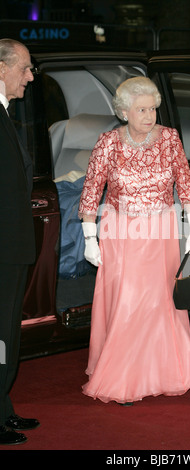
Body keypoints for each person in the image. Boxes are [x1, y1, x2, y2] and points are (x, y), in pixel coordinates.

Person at [79, 76, 190, 406]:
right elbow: (90, 191)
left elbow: (186, 185)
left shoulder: (169, 139)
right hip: (122, 233)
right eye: (142, 109)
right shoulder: (108, 143)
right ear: (124, 111)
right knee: (128, 302)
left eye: (153, 109)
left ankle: (166, 369)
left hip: (161, 232)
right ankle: (124, 373)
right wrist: (89, 237)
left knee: (159, 302)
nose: (150, 115)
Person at [0, 39, 39, 445]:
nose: (30, 76)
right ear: (2, 68)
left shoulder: (7, 114)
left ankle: (3, 408)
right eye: (25, 68)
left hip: (11, 248)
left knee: (7, 331)